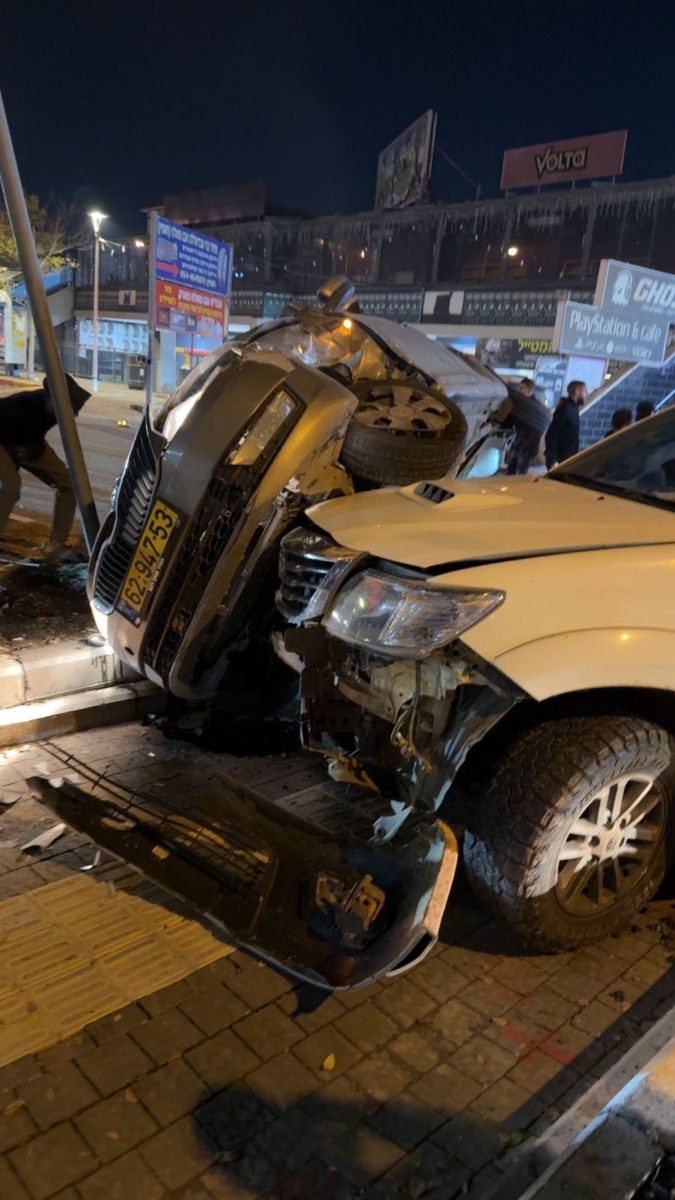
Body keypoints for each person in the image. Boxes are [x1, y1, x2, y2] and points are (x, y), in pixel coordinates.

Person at [0, 373, 90, 559]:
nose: (71, 415)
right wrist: (13, 459)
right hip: (4, 442)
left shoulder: (58, 411)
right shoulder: (19, 406)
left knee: (70, 484)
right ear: (49, 399)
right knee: (10, 487)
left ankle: (56, 544)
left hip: (30, 443)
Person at [505, 378, 545, 475]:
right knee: (510, 472)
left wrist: (525, 448)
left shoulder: (534, 408)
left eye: (522, 388)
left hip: (526, 448)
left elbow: (536, 430)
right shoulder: (522, 407)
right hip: (519, 446)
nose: (519, 391)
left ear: (529, 390)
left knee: (520, 474)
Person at [545, 381, 587, 469]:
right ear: (576, 391)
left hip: (567, 458)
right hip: (560, 460)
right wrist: (552, 459)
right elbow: (552, 434)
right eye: (585, 391)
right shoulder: (565, 409)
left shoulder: (573, 408)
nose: (586, 394)